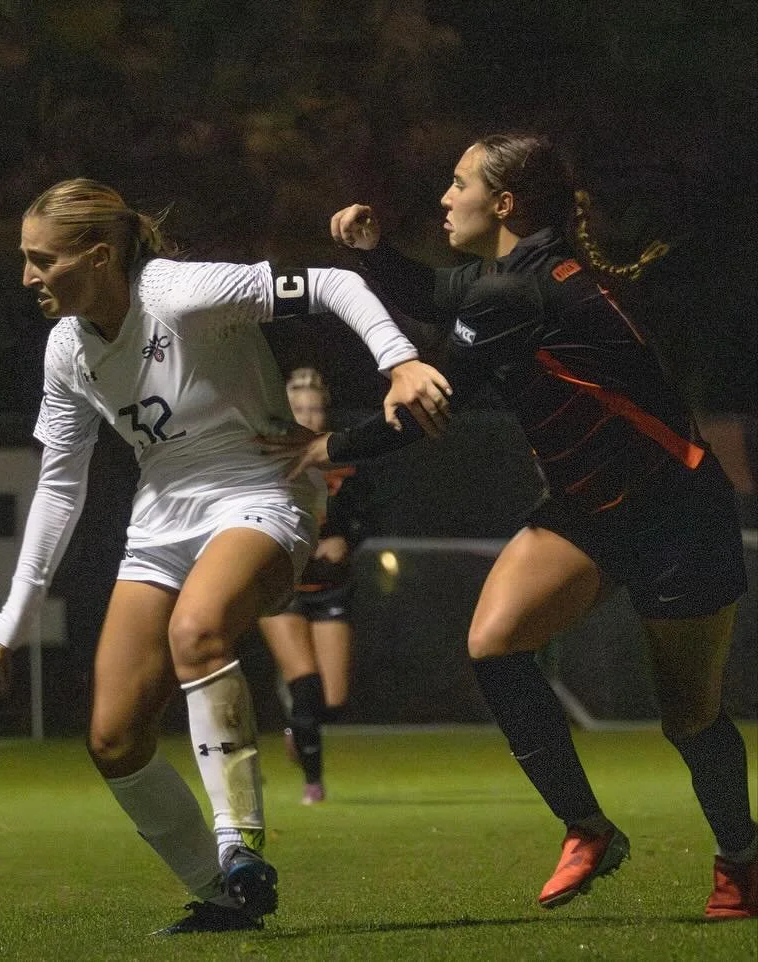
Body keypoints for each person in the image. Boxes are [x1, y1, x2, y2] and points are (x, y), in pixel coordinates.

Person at [275, 132, 753, 919]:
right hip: (589, 509)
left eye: (458, 183)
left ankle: (741, 861)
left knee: (690, 719)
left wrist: (320, 448)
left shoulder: (516, 293)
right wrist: (373, 253)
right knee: (494, 642)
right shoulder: (518, 274)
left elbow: (428, 406)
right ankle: (588, 828)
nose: (444, 197)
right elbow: (437, 292)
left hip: (675, 514)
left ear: (502, 204)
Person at [0, 177, 451, 934]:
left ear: (98, 258)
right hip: (161, 521)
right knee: (114, 740)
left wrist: (400, 361)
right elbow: (61, 485)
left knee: (197, 630)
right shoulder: (66, 349)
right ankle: (223, 895)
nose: (28, 276)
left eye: (42, 259)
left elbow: (333, 282)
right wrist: (12, 617)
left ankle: (240, 846)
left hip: (264, 489)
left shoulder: (178, 292)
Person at [258, 367, 369, 805]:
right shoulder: (268, 458)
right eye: (299, 408)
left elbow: (367, 515)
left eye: (315, 408)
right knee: (304, 686)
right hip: (282, 590)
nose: (307, 416)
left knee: (333, 700)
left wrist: (347, 541)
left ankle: (297, 726)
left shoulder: (344, 459)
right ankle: (313, 784)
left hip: (331, 589)